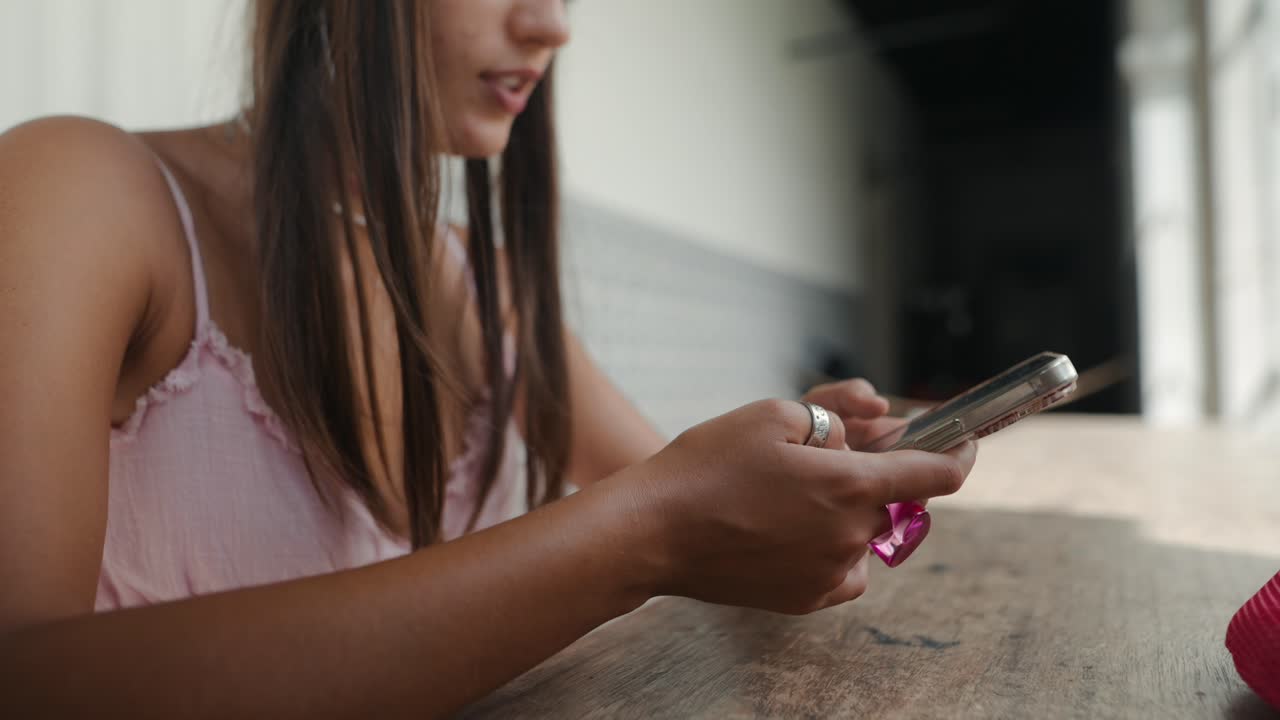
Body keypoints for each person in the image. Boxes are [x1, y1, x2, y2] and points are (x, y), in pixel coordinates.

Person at [0, 1, 976, 716]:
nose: (550, 25)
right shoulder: (82, 191)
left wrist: (800, 468)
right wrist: (650, 533)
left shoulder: (489, 286)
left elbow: (678, 492)